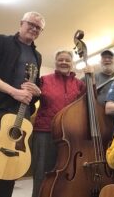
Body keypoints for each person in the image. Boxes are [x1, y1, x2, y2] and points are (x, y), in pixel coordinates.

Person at [0, 11, 45, 197]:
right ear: (21, 23)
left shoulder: (38, 56)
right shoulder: (2, 41)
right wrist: (13, 91)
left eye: (38, 28)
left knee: (10, 167)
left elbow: (34, 88)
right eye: (31, 24)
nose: (34, 29)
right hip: (0, 110)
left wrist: (36, 91)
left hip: (21, 116)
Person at [31, 50, 86, 197]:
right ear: (56, 62)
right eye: (60, 59)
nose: (64, 62)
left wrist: (91, 77)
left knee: (64, 174)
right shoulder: (44, 80)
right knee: (41, 173)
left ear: (72, 63)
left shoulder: (79, 84)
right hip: (44, 132)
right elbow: (31, 101)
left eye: (67, 60)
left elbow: (87, 104)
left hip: (68, 135)